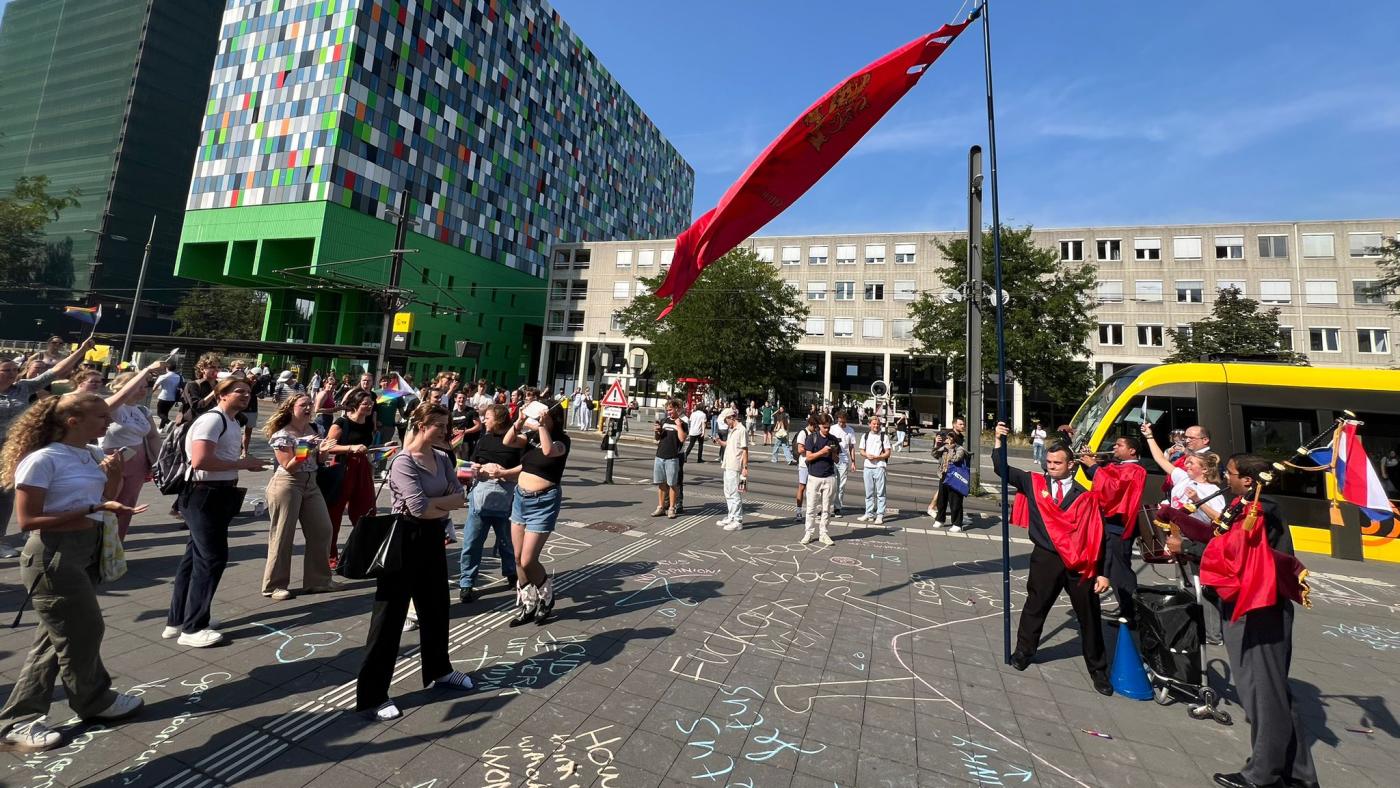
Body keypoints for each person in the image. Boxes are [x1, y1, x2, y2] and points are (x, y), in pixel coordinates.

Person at [0, 393, 150, 751]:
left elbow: (105, 500)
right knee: (84, 629)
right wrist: (93, 505)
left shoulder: (91, 453)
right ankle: (93, 700)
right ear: (72, 421)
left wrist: (112, 480)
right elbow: (27, 520)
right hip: (54, 555)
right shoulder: (42, 460)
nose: (108, 424)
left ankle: (20, 719)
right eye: (100, 417)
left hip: (87, 547)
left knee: (56, 638)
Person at [1184, 455, 1318, 788]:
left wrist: (1188, 547)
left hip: (1257, 609)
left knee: (1262, 694)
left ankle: (1263, 774)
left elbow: (1238, 556)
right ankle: (1297, 773)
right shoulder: (1246, 504)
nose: (1225, 478)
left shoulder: (1261, 510)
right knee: (1273, 693)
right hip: (1255, 606)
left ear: (1247, 479)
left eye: (1229, 474)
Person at [356, 403, 474, 720]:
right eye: (440, 426)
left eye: (447, 427)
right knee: (389, 619)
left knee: (436, 609)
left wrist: (436, 506)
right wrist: (440, 504)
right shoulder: (403, 462)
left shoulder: (442, 458)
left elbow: (458, 498)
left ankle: (440, 670)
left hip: (433, 539)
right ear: (422, 425)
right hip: (403, 542)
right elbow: (418, 508)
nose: (447, 433)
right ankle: (373, 694)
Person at [993, 423, 1113, 695]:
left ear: (1071, 465)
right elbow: (1003, 470)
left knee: (1090, 617)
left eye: (1057, 463)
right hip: (1046, 558)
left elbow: (1099, 536)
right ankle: (1024, 652)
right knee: (1036, 607)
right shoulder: (1034, 483)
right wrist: (1000, 440)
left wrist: (1103, 572)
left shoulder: (1085, 496)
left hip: (1079, 563)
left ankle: (1098, 671)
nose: (1051, 467)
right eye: (1048, 462)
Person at [166, 378, 266, 648]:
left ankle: (178, 620)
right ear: (221, 394)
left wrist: (241, 466)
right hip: (202, 494)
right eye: (239, 391)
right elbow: (200, 460)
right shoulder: (213, 420)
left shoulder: (233, 421)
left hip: (218, 494)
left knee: (194, 557)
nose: (245, 395)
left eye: (248, 392)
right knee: (212, 558)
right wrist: (243, 464)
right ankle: (193, 627)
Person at [0, 338, 95, 559]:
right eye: (7, 370)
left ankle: (1, 539)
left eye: (15, 369)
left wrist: (81, 350)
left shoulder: (23, 388)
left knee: (5, 496)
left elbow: (54, 373)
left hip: (12, 449)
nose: (13, 373)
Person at [261, 394, 340, 601]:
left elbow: (320, 459)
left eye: (310, 405)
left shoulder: (316, 429)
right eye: (303, 405)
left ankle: (318, 581)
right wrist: (305, 447)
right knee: (283, 534)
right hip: (287, 483)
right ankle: (275, 585)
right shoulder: (283, 434)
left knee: (323, 529)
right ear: (291, 409)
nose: (308, 408)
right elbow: (289, 465)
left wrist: (323, 451)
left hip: (311, 482)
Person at [503, 403, 571, 625]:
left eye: (544, 417)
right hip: (520, 500)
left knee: (528, 558)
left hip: (544, 502)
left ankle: (546, 595)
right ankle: (528, 602)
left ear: (553, 419)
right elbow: (508, 441)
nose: (538, 420)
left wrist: (542, 426)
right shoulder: (530, 436)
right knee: (517, 558)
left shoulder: (562, 440)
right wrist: (520, 420)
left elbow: (549, 451)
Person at [1078, 435, 1148, 627]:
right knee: (1110, 566)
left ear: (1132, 450)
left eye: (1119, 445)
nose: (1114, 447)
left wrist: (1094, 466)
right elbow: (1098, 478)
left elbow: (1113, 489)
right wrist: (1087, 464)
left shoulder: (1135, 469)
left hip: (1120, 524)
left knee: (1120, 569)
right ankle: (1124, 606)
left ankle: (1131, 612)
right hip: (1108, 522)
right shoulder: (1118, 465)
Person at [458, 403, 520, 603]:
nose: (484, 420)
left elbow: (526, 468)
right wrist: (474, 467)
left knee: (507, 542)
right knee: (472, 542)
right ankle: (467, 583)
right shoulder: (483, 440)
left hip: (506, 501)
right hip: (480, 501)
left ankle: (512, 574)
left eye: (487, 417)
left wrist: (504, 473)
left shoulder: (516, 442)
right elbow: (467, 468)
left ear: (500, 420)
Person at [97, 362, 166, 538]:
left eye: (145, 386)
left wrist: (160, 462)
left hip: (138, 461)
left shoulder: (142, 410)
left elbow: (152, 436)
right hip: (111, 459)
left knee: (128, 504)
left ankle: (116, 545)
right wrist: (146, 371)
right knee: (106, 502)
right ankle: (96, 544)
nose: (144, 390)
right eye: (139, 386)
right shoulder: (111, 407)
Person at [325, 388, 378, 570]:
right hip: (342, 469)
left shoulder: (369, 422)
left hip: (363, 469)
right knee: (334, 514)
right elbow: (327, 448)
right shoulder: (341, 423)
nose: (369, 406)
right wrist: (351, 448)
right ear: (355, 405)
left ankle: (362, 553)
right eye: (365, 404)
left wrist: (381, 449)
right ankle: (330, 555)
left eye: (371, 403)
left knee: (367, 511)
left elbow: (366, 446)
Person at [800, 414, 839, 545]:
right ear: (819, 426)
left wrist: (833, 453)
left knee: (827, 507)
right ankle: (809, 533)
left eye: (829, 427)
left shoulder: (833, 439)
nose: (827, 430)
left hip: (829, 476)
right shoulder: (812, 438)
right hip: (814, 477)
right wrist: (822, 452)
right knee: (811, 507)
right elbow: (808, 457)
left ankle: (824, 534)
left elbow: (837, 460)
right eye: (825, 427)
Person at [652, 399, 686, 518]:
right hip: (660, 456)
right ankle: (661, 507)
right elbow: (657, 438)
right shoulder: (664, 421)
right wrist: (656, 431)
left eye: (670, 410)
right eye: (667, 410)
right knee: (661, 483)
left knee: (673, 484)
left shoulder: (682, 423)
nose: (669, 413)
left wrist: (678, 426)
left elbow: (682, 439)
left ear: (677, 408)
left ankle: (672, 508)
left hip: (672, 458)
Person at [714, 410, 748, 530]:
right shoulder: (731, 430)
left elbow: (745, 450)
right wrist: (719, 441)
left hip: (735, 466)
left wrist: (745, 467)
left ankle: (738, 520)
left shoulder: (741, 430)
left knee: (735, 493)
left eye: (726, 420)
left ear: (731, 418)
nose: (726, 423)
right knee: (728, 492)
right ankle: (731, 516)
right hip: (727, 464)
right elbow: (728, 444)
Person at [859, 415, 892, 525]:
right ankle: (869, 513)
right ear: (869, 425)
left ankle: (880, 515)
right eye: (874, 424)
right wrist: (867, 455)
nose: (876, 426)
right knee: (868, 492)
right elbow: (861, 451)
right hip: (868, 466)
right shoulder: (865, 436)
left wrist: (878, 457)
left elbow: (888, 453)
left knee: (880, 493)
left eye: (878, 424)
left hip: (879, 467)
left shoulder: (884, 437)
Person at [934, 432, 969, 532]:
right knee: (941, 499)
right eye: (947, 437)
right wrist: (937, 444)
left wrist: (949, 449)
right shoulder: (943, 447)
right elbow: (934, 454)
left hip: (954, 477)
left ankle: (957, 523)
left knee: (955, 501)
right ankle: (940, 519)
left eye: (951, 437)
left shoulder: (959, 449)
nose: (948, 439)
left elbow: (956, 459)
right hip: (943, 475)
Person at [180, 353, 223, 425]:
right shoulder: (193, 385)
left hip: (215, 423)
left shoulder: (220, 385)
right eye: (212, 367)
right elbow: (197, 406)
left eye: (218, 367)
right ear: (202, 369)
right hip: (195, 424)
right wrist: (215, 391)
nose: (216, 370)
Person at [830, 411, 857, 516]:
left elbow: (851, 447)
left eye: (843, 422)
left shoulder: (850, 430)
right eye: (840, 422)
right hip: (832, 459)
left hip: (843, 460)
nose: (842, 424)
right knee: (830, 484)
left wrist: (853, 462)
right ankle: (827, 506)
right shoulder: (832, 429)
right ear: (837, 420)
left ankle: (837, 507)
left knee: (841, 485)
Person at [792, 414, 816, 521]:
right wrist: (812, 450)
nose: (815, 428)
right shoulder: (803, 433)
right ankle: (798, 511)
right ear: (810, 424)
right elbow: (800, 449)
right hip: (804, 464)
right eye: (814, 426)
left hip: (813, 463)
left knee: (813, 489)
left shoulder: (815, 433)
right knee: (802, 487)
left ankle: (810, 511)